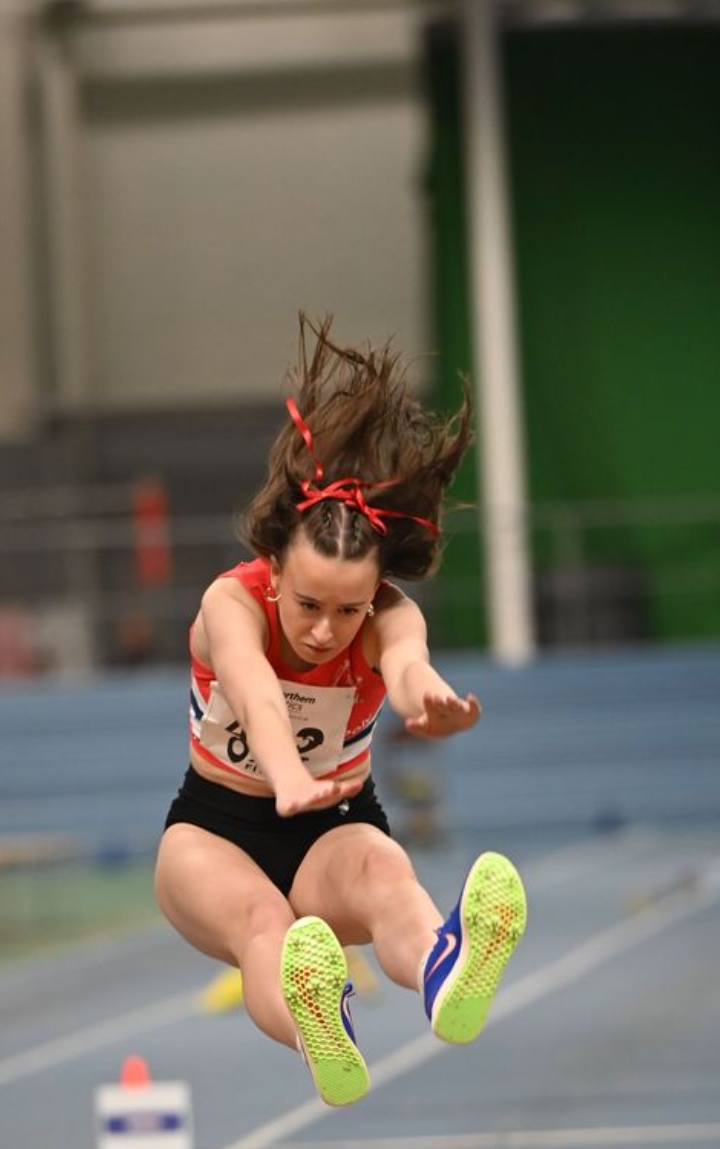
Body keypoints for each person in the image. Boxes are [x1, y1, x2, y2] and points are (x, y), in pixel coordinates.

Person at [155, 318, 527, 1108]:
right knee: (265, 923)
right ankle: (319, 1022)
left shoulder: (388, 615)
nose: (326, 630)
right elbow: (254, 689)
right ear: (274, 571)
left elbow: (406, 664)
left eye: (348, 610)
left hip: (333, 823)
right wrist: (288, 776)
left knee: (387, 872)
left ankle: (447, 970)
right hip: (214, 830)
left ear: (373, 593)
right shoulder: (231, 603)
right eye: (308, 604)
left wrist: (428, 700)